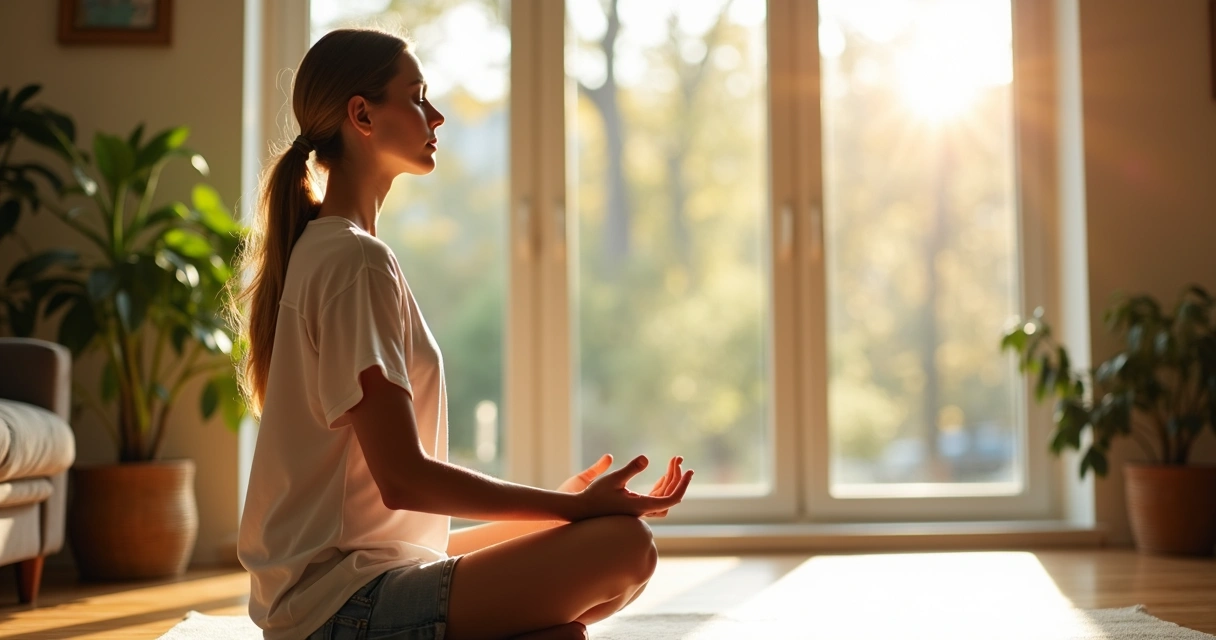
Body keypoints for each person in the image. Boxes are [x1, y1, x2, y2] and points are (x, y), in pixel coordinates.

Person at [232, 28, 695, 640]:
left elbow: (394, 536)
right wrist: (573, 511)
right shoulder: (353, 262)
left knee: (596, 580)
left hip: (352, 594)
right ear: (362, 115)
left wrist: (555, 510)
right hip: (336, 615)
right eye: (417, 96)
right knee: (623, 548)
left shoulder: (332, 251)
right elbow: (404, 480)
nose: (437, 115)